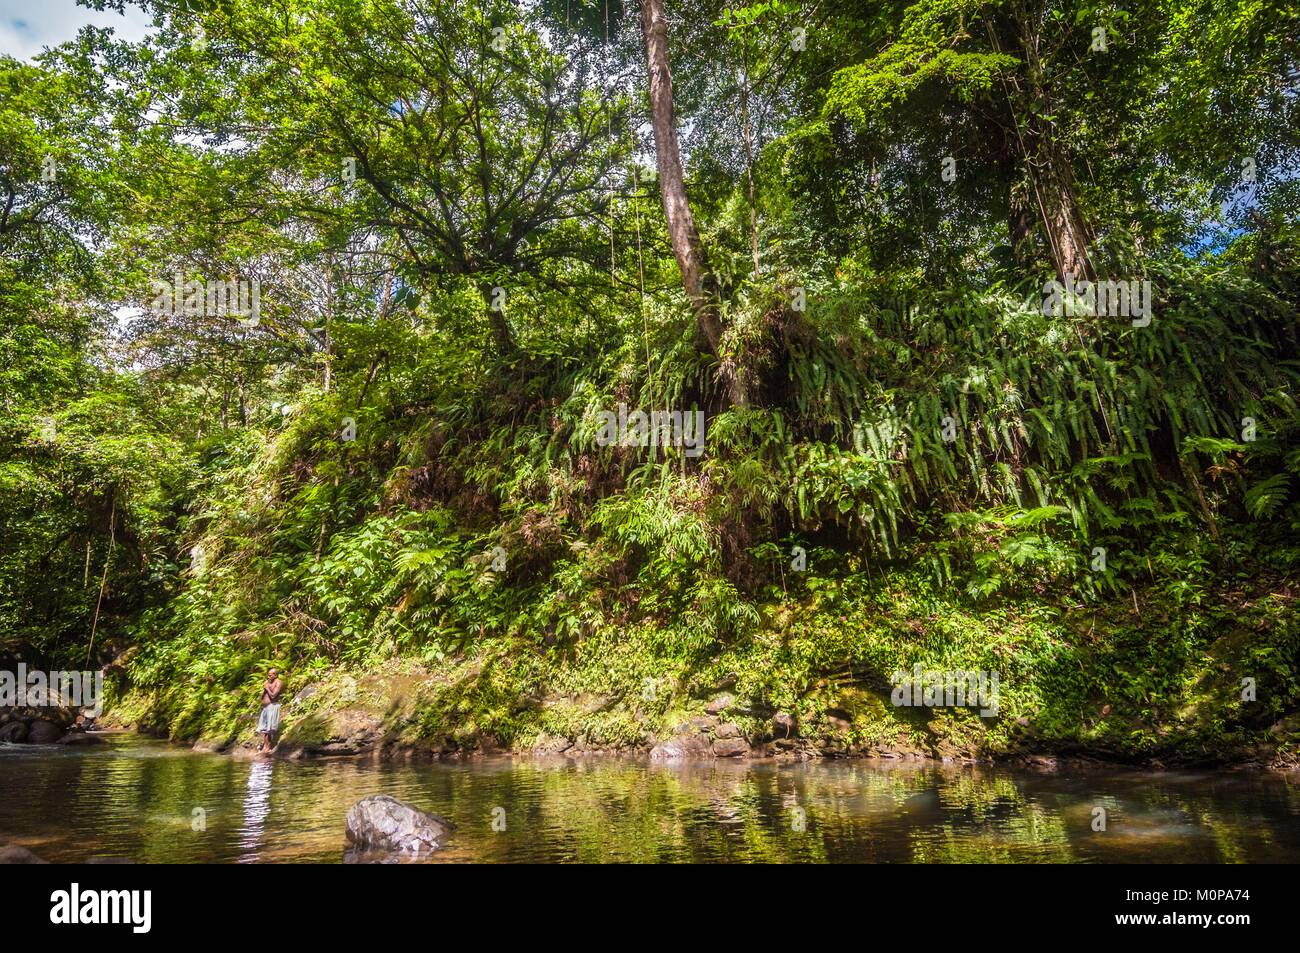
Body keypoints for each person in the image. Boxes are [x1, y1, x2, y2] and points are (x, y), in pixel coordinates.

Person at [257, 668, 285, 753]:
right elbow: (265, 695)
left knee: (269, 729)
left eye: (270, 675)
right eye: (268, 674)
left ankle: (268, 748)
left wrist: (267, 688)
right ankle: (264, 748)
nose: (268, 676)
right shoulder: (269, 683)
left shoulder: (278, 682)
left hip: (272, 706)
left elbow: (273, 696)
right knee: (265, 729)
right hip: (266, 708)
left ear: (275, 675)